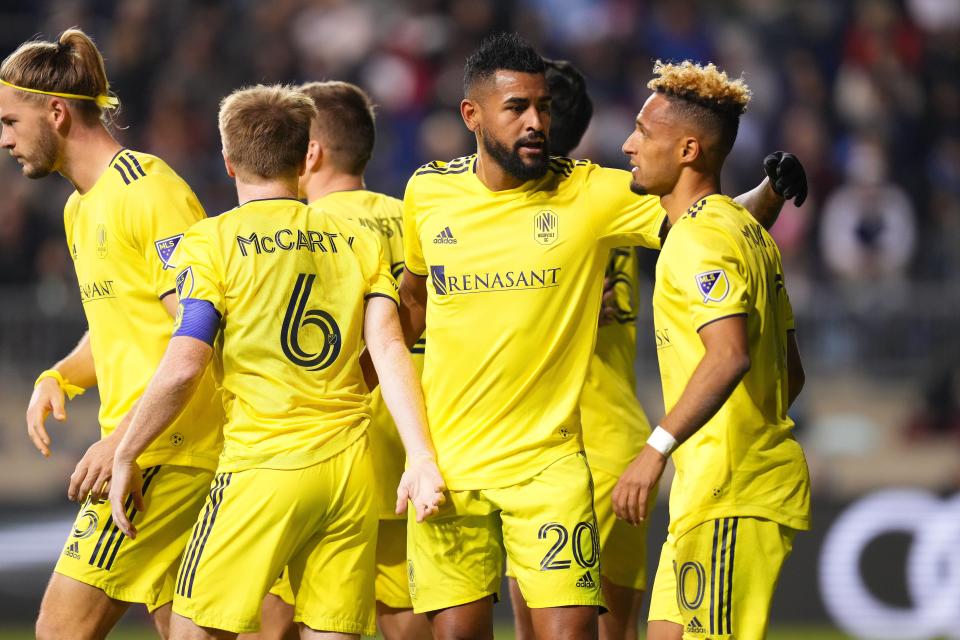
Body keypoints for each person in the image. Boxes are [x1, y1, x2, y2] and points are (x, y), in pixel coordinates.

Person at [394, 33, 797, 640]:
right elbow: (414, 300)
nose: (537, 123)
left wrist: (769, 193)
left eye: (543, 108)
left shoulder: (590, 191)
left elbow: (704, 213)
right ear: (472, 116)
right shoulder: (427, 192)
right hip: (450, 463)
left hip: (549, 464)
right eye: (518, 109)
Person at [108, 83, 445, 640]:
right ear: (303, 155)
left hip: (261, 465)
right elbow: (388, 347)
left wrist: (127, 452)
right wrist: (419, 455)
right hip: (349, 470)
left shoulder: (209, 243)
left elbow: (187, 360)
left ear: (228, 159)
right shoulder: (355, 240)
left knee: (194, 631)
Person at [0, 28, 222, 639]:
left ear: (56, 112)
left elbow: (198, 332)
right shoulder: (80, 207)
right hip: (149, 453)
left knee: (57, 632)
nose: (4, 141)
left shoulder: (149, 191)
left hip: (162, 456)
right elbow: (117, 324)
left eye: (11, 122)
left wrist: (122, 441)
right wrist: (59, 378)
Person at [616, 60, 810, 640]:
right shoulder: (741, 228)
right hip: (708, 491)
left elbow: (729, 356)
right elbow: (790, 374)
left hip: (732, 490)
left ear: (688, 150)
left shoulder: (698, 240)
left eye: (644, 133)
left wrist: (655, 449)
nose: (628, 144)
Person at [244, 80, 432, 640]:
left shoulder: (304, 230)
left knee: (283, 610)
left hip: (326, 440)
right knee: (404, 612)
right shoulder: (417, 219)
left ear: (311, 152)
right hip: (412, 440)